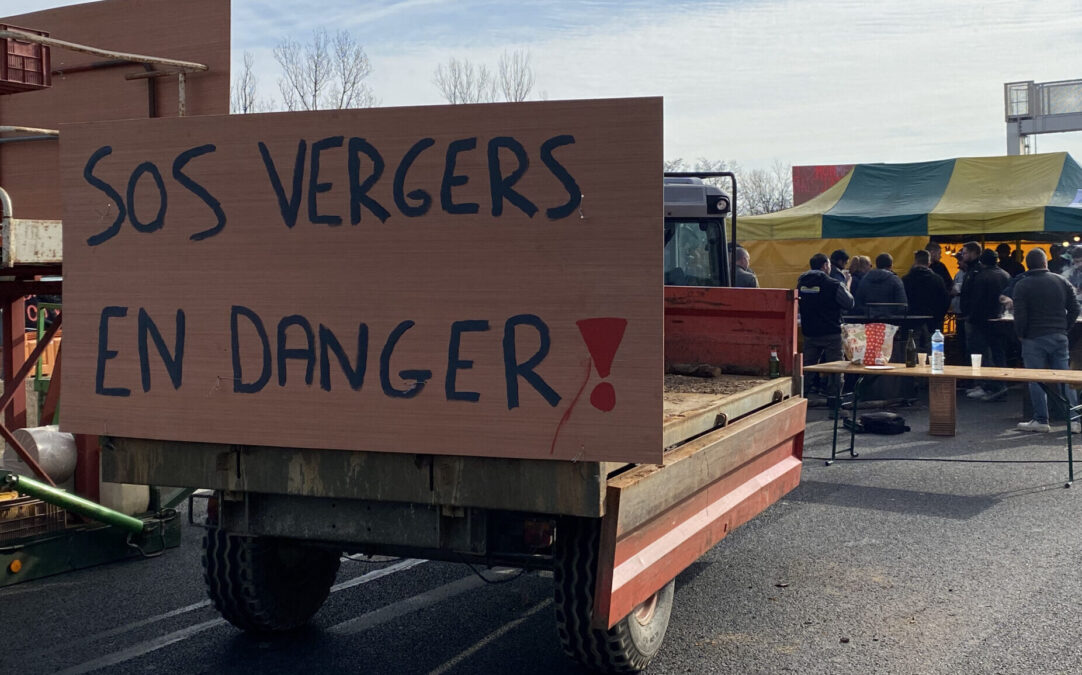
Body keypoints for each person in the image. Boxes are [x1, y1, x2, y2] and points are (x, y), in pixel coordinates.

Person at [1012, 248, 1081, 433]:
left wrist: (1021, 333)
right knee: (1065, 377)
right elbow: (1075, 308)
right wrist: (1064, 327)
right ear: (1045, 263)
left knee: (1036, 378)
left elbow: (1020, 314)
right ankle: (1075, 420)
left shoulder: (1022, 285)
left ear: (1028, 265)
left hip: (1033, 337)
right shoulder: (1061, 281)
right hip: (1059, 335)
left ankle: (1041, 420)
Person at [798, 253, 854, 396]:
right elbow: (849, 303)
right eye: (829, 265)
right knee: (835, 370)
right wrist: (847, 284)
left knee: (807, 368)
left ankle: (799, 398)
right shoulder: (833, 284)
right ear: (824, 266)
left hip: (809, 332)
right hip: (831, 333)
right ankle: (834, 404)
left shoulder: (801, 284)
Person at [960, 244, 1010, 401]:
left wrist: (970, 317)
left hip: (981, 321)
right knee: (998, 353)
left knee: (982, 354)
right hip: (1000, 320)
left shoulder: (981, 277)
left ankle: (989, 386)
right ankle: (1000, 385)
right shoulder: (1005, 275)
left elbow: (977, 300)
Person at [902, 249, 949, 338]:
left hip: (911, 322)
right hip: (932, 323)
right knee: (931, 349)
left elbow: (901, 300)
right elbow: (945, 300)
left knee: (912, 348)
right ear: (929, 262)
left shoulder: (906, 279)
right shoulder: (937, 279)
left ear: (915, 261)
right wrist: (939, 317)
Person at [853, 253, 907, 317]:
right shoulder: (896, 280)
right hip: (891, 321)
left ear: (876, 265)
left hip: (869, 320)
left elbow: (858, 302)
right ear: (891, 265)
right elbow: (902, 304)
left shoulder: (864, 279)